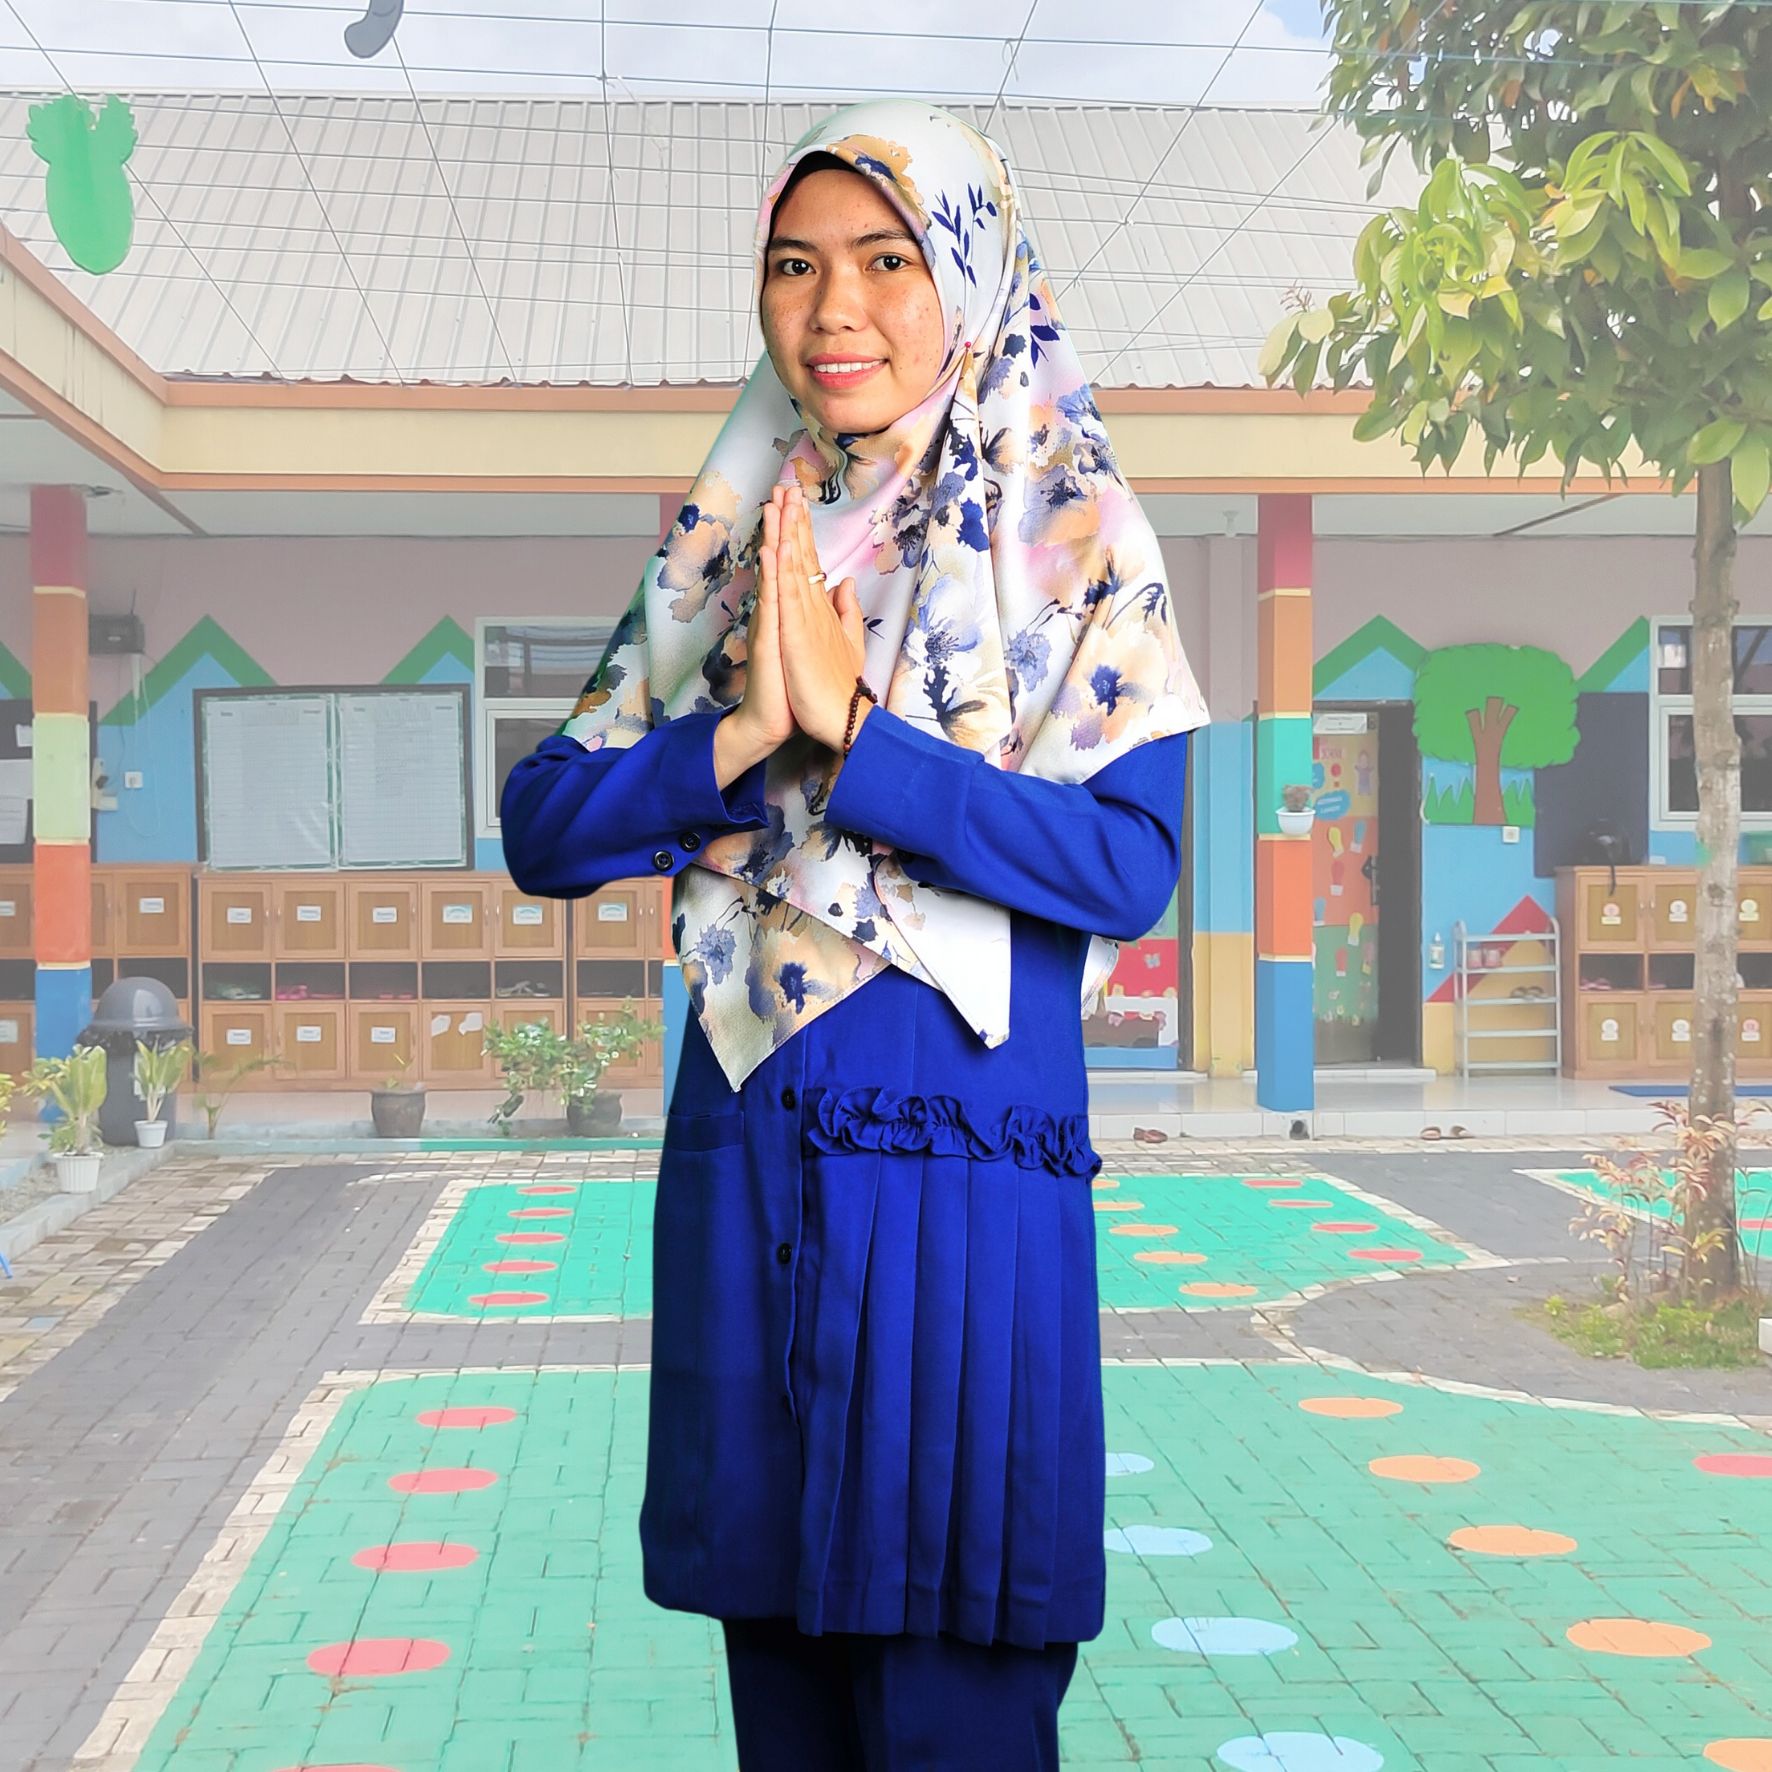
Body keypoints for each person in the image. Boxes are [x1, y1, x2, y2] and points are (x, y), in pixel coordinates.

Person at [501, 99, 1207, 1772]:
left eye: (888, 260)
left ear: (972, 276)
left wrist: (863, 745)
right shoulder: (735, 538)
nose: (834, 309)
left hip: (961, 1177)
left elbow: (1130, 865)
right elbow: (544, 825)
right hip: (750, 1167)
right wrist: (740, 735)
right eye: (794, 265)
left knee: (957, 1682)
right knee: (785, 1674)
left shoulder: (1074, 537)